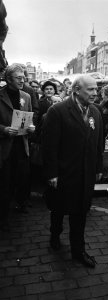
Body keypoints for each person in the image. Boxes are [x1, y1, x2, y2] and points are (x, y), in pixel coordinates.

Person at [42, 75, 103, 268]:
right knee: (59, 209)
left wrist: (98, 167)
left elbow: (98, 143)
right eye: (91, 89)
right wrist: (52, 173)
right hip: (64, 172)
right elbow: (49, 146)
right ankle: (55, 234)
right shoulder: (57, 111)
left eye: (96, 89)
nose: (95, 93)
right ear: (76, 90)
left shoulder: (95, 111)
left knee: (81, 212)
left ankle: (78, 250)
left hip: (85, 173)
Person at [0, 64, 34, 230]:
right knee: (5, 182)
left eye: (23, 77)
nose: (23, 80)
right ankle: (3, 216)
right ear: (8, 79)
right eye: (18, 78)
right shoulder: (0, 95)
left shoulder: (26, 96)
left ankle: (20, 204)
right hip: (5, 147)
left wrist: (31, 127)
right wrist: (4, 129)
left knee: (21, 178)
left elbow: (29, 118)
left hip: (22, 145)